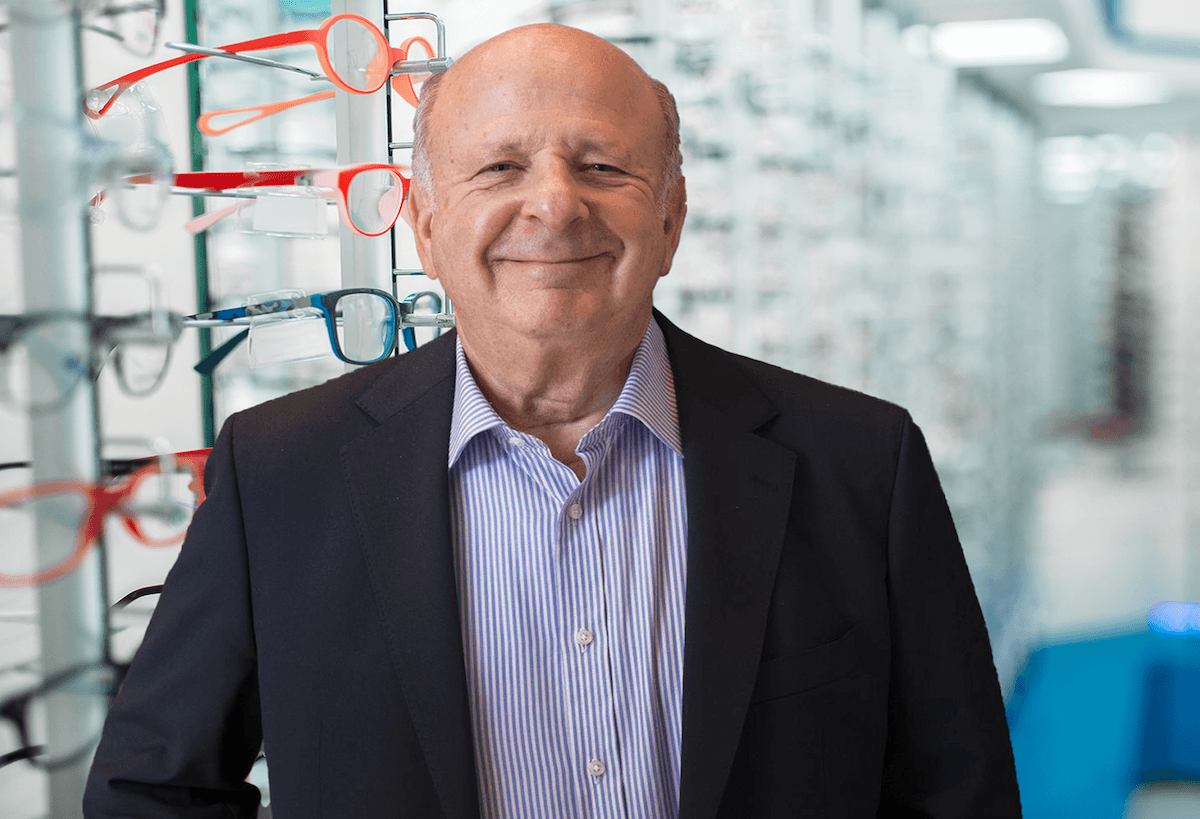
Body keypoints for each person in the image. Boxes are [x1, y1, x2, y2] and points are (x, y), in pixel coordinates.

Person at [84, 22, 1021, 819]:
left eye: (604, 165)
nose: (555, 204)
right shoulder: (282, 471)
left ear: (672, 217)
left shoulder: (859, 460)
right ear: (425, 224)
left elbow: (956, 790)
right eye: (499, 166)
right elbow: (151, 790)